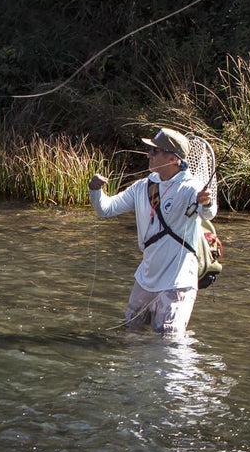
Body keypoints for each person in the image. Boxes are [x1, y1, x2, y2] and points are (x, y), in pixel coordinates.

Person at [89, 127, 216, 334]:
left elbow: (207, 213)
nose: (149, 154)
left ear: (173, 158)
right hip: (145, 281)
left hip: (177, 284)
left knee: (169, 344)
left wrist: (206, 202)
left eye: (155, 151)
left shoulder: (191, 187)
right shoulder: (142, 187)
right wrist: (95, 190)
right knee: (131, 333)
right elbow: (106, 209)